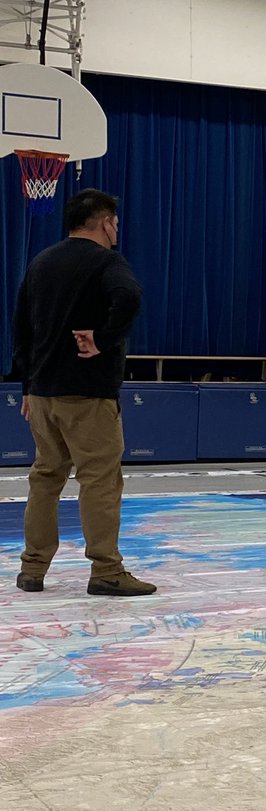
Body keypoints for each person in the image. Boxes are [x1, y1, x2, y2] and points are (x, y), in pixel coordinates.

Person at [10, 189, 155, 596]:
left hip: (42, 395)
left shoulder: (41, 262)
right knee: (100, 480)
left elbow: (21, 328)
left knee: (45, 478)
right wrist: (103, 340)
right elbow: (129, 295)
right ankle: (106, 570)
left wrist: (28, 385)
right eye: (115, 225)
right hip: (88, 395)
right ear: (106, 222)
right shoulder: (107, 262)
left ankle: (32, 569)